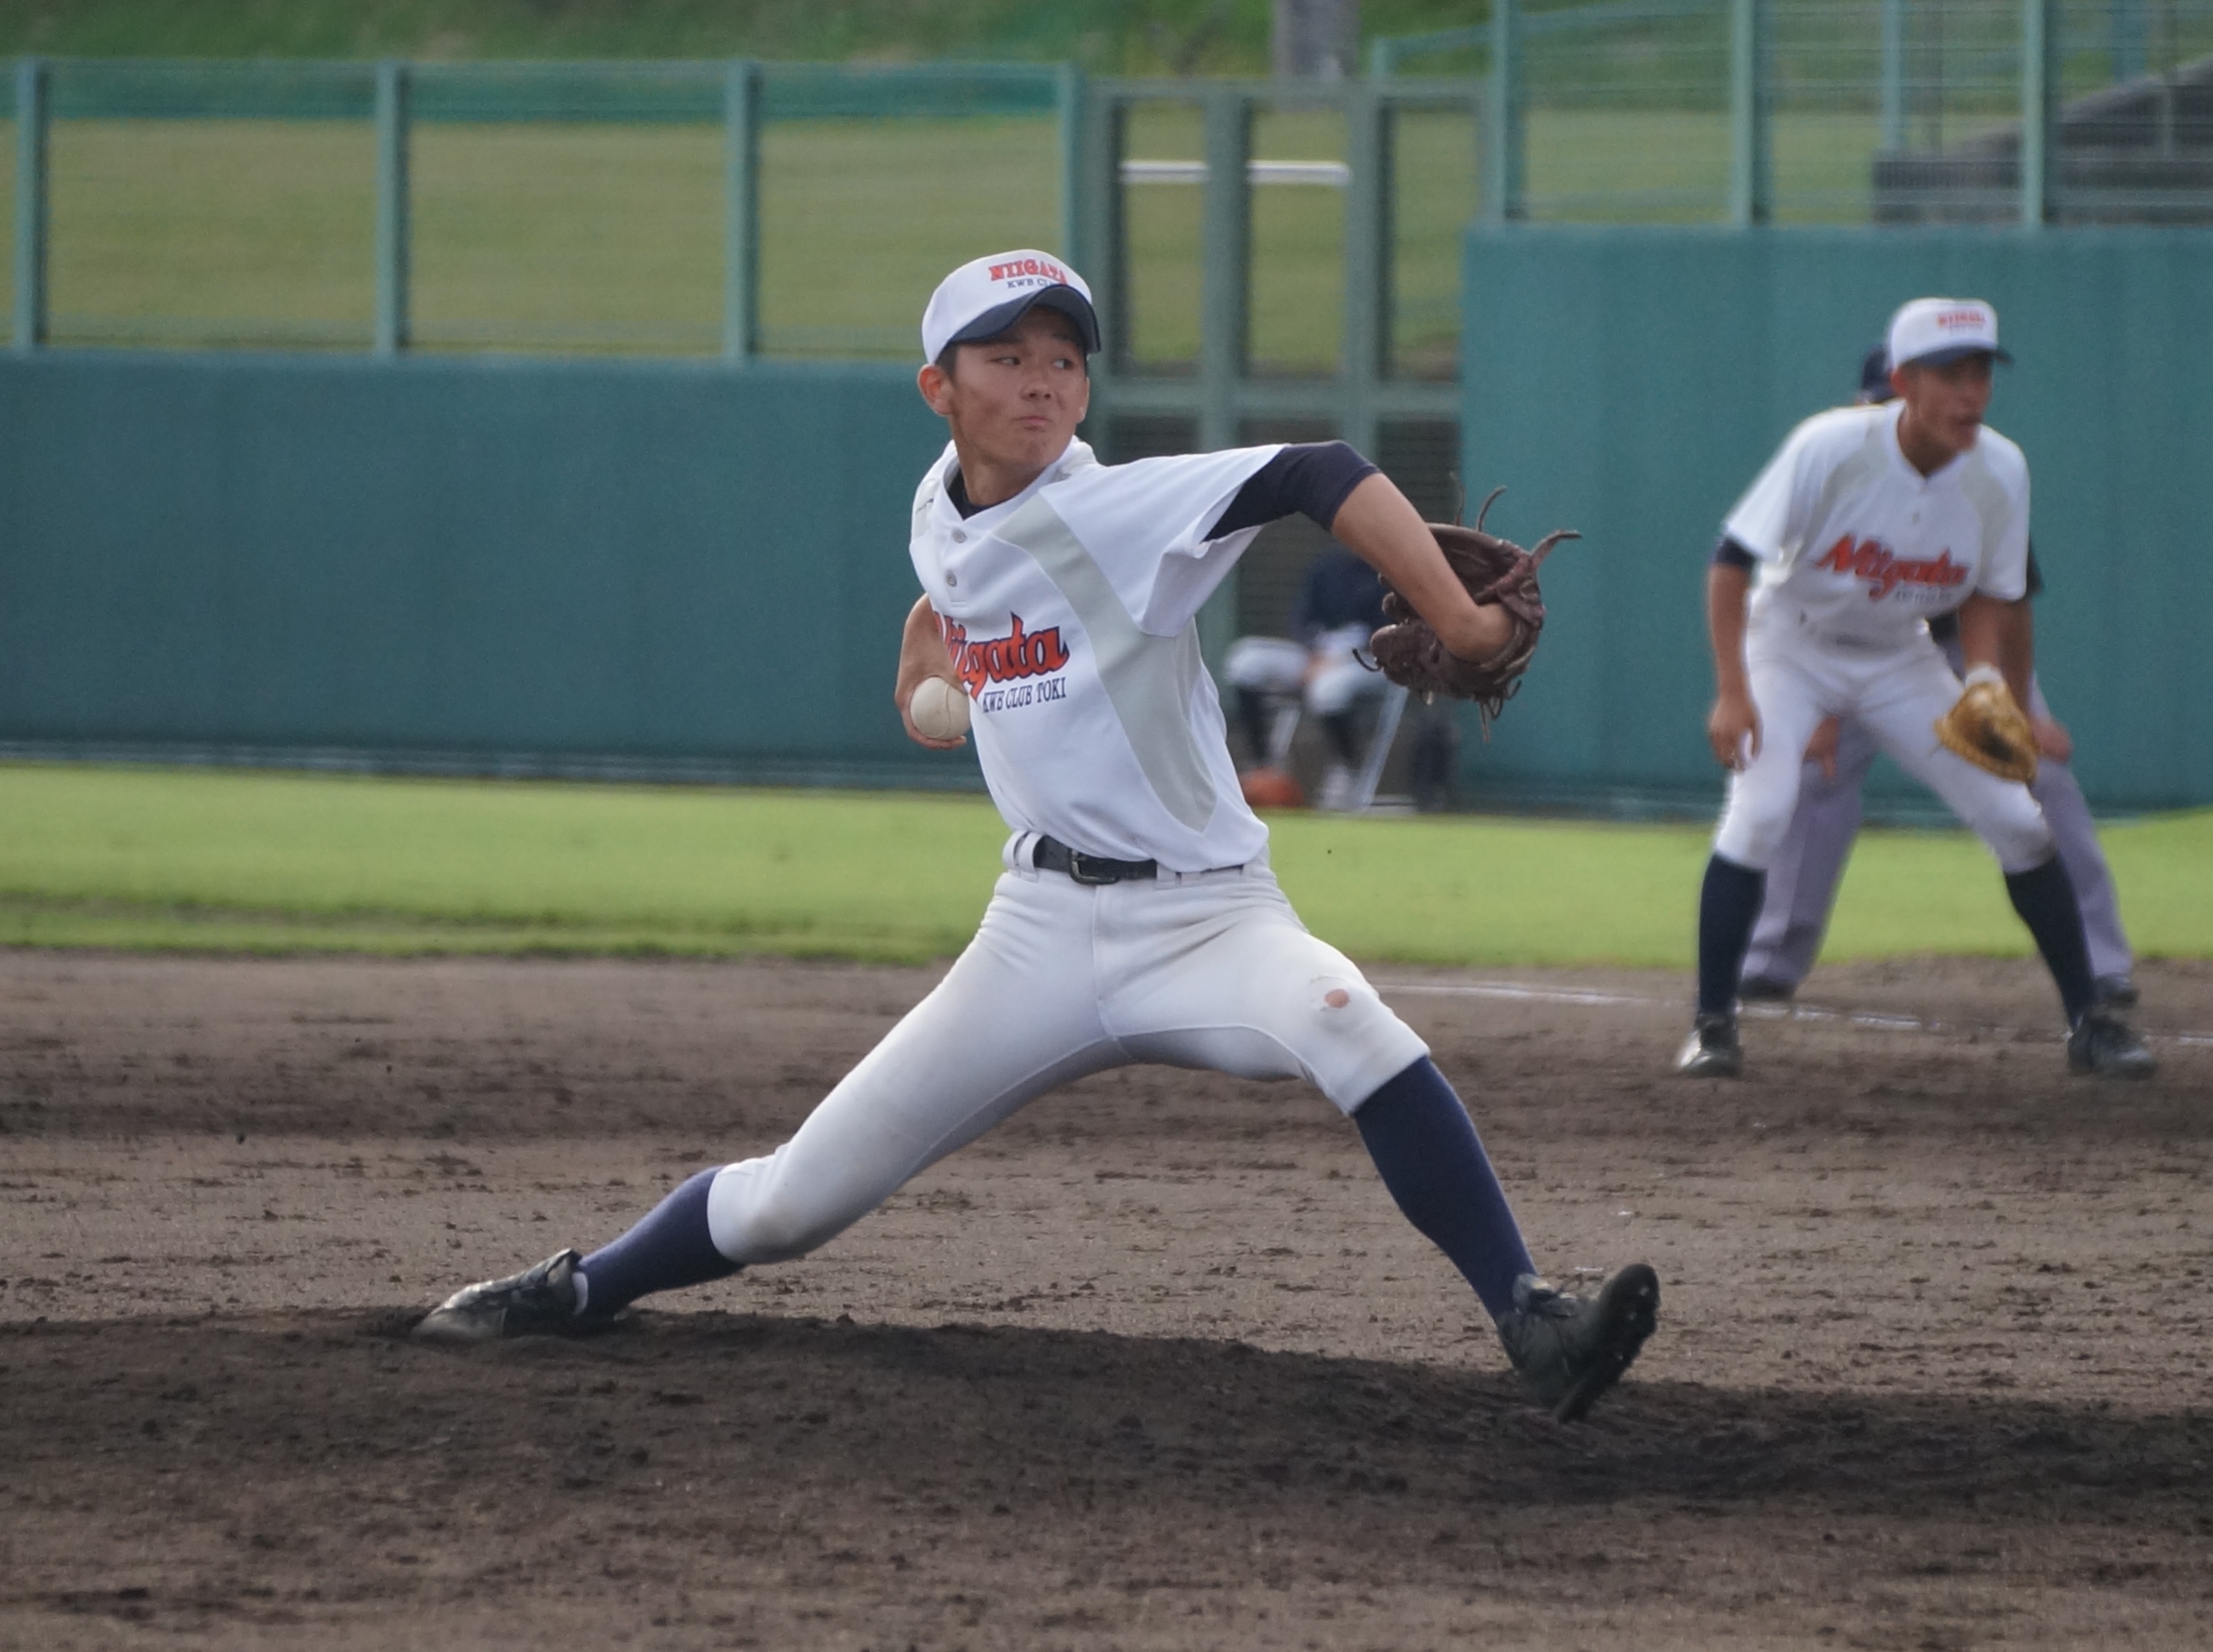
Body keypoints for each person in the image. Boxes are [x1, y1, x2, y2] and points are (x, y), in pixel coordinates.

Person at [414, 248, 1660, 1423]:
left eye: (1063, 357)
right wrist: (922, 654)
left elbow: (1315, 468)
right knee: (794, 1201)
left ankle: (1531, 1317)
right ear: (937, 390)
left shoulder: (1119, 510)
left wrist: (1456, 614)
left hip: (1207, 916)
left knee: (1348, 1020)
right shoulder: (937, 502)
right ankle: (580, 1286)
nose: (1041, 381)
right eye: (1003, 356)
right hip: (1038, 934)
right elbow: (953, 574)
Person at [1677, 298, 2154, 1081]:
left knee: (2019, 819)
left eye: (1979, 374)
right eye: (1948, 375)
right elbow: (1730, 560)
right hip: (1789, 645)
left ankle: (2089, 1023)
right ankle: (1710, 1023)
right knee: (1761, 811)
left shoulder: (2000, 468)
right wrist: (1732, 689)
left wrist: (1987, 685)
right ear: (1900, 380)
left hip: (1898, 657)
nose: (1969, 393)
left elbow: (1989, 593)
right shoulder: (1830, 446)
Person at [1223, 546, 1393, 809]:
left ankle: (1345, 769)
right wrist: (1313, 651)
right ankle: (1263, 763)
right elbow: (1301, 620)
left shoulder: (1393, 573)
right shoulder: (1327, 567)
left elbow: (1385, 633)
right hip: (1313, 657)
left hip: (1368, 663)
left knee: (1327, 689)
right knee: (1245, 659)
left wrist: (1335, 660)